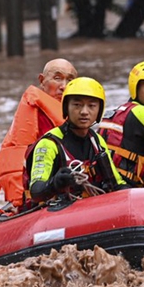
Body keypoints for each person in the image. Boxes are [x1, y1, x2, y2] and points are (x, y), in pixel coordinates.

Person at [0, 58, 78, 210]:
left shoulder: (80, 115)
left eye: (70, 80)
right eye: (57, 78)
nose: (64, 86)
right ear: (42, 80)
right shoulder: (35, 115)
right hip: (40, 193)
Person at [27, 77, 129, 205]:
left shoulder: (97, 141)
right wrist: (55, 183)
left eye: (91, 106)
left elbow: (117, 183)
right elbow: (36, 192)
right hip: (57, 212)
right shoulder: (49, 143)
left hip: (91, 209)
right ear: (66, 108)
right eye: (77, 105)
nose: (84, 112)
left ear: (99, 110)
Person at [98, 61, 144, 187]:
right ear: (136, 88)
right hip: (130, 188)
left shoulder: (118, 112)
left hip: (107, 184)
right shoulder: (141, 112)